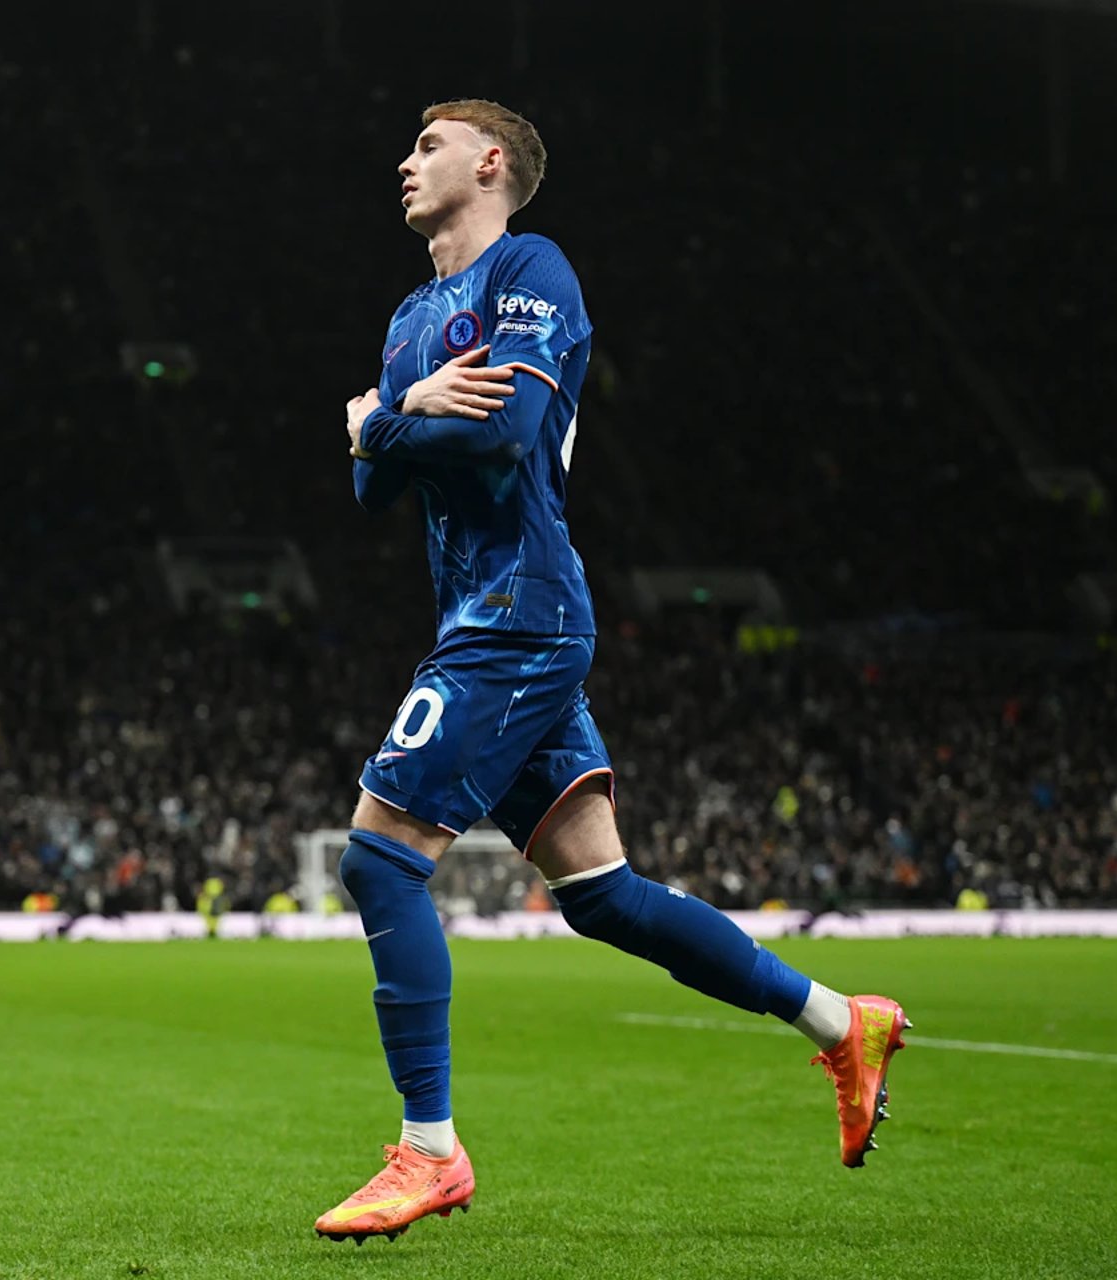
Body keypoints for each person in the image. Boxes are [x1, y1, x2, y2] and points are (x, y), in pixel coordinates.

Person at [317, 99, 910, 1245]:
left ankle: (428, 1151)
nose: (404, 158)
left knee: (378, 860)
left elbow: (495, 434)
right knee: (602, 897)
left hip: (517, 615)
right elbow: (371, 488)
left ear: (489, 162)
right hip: (484, 617)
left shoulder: (532, 267)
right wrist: (398, 412)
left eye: (428, 143)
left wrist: (380, 418)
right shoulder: (408, 319)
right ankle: (844, 1020)